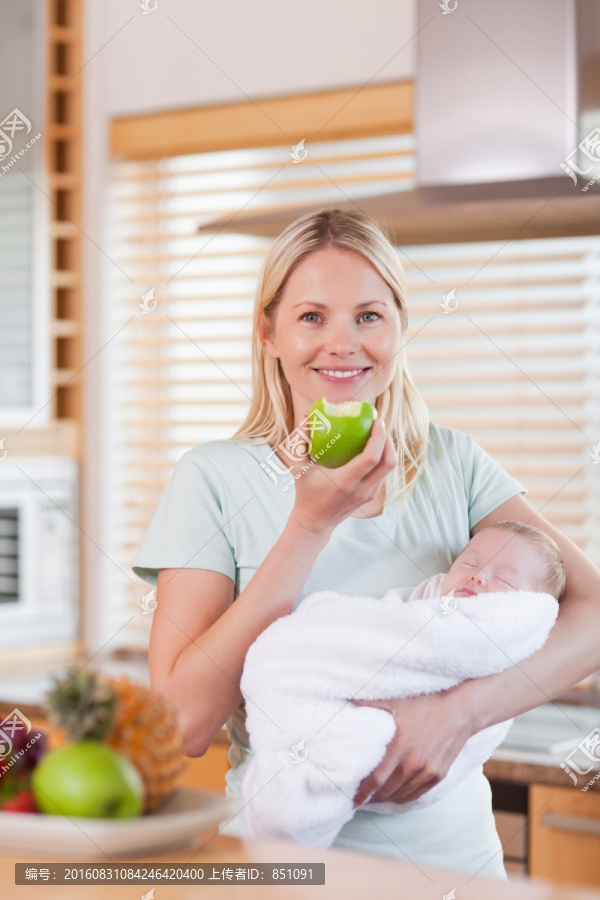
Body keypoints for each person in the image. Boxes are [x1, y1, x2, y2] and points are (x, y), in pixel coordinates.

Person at [132, 207, 600, 881]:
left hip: (456, 875)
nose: (343, 343)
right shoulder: (214, 479)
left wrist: (457, 716)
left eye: (370, 317)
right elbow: (182, 727)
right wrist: (309, 525)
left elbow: (591, 607)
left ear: (400, 328)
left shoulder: (454, 464)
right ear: (269, 333)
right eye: (312, 317)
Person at [381, 519, 567, 607]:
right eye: (469, 563)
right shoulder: (435, 588)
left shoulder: (514, 629)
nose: (478, 576)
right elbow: (389, 610)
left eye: (504, 579)